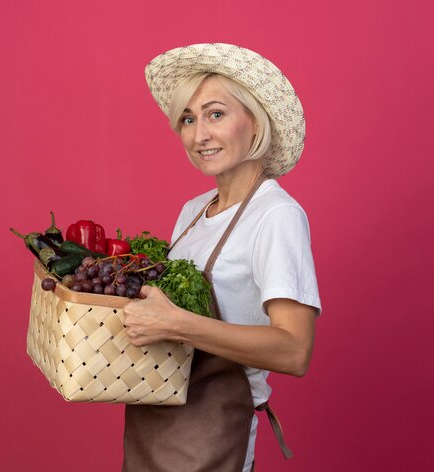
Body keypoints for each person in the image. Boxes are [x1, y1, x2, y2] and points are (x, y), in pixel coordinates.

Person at [122, 43, 321, 472]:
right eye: (188, 120)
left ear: (255, 122)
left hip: (209, 433)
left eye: (216, 114)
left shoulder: (276, 215)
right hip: (154, 420)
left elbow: (294, 351)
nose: (199, 135)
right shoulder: (192, 212)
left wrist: (177, 323)